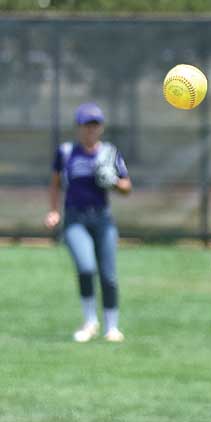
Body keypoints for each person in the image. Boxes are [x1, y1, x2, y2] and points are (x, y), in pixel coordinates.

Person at [45, 102, 132, 343]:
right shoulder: (66, 152)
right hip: (75, 218)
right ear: (78, 127)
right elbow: (55, 183)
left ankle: (112, 327)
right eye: (86, 125)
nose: (90, 130)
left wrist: (113, 181)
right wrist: (53, 211)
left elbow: (127, 187)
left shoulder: (110, 153)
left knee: (109, 275)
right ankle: (90, 321)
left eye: (95, 125)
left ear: (101, 128)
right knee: (85, 267)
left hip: (102, 218)